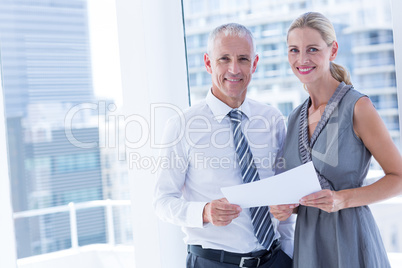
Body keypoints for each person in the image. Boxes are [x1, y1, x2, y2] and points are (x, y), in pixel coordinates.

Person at [154, 23, 294, 268]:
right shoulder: (182, 125)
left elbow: (282, 192)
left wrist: (290, 254)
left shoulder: (272, 119)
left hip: (275, 260)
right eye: (224, 59)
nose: (234, 69)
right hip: (214, 262)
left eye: (243, 59)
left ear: (255, 63)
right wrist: (204, 212)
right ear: (208, 63)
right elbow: (162, 201)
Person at [270, 11, 402, 268]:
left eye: (312, 49)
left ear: (333, 50)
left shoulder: (358, 107)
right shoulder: (295, 116)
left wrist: (343, 199)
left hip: (351, 239)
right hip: (309, 244)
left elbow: (398, 177)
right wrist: (286, 208)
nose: (302, 59)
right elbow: (301, 190)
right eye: (294, 50)